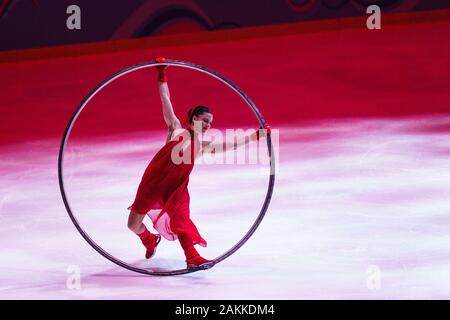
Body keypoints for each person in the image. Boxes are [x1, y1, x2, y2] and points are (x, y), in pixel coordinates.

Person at [127, 57, 270, 269]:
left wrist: (255, 136)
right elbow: (165, 99)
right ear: (194, 117)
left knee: (181, 222)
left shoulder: (201, 146)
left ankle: (192, 257)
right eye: (204, 120)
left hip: (176, 190)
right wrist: (161, 74)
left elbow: (231, 144)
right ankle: (149, 239)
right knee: (132, 225)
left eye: (210, 122)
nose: (208, 125)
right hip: (152, 184)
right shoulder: (175, 129)